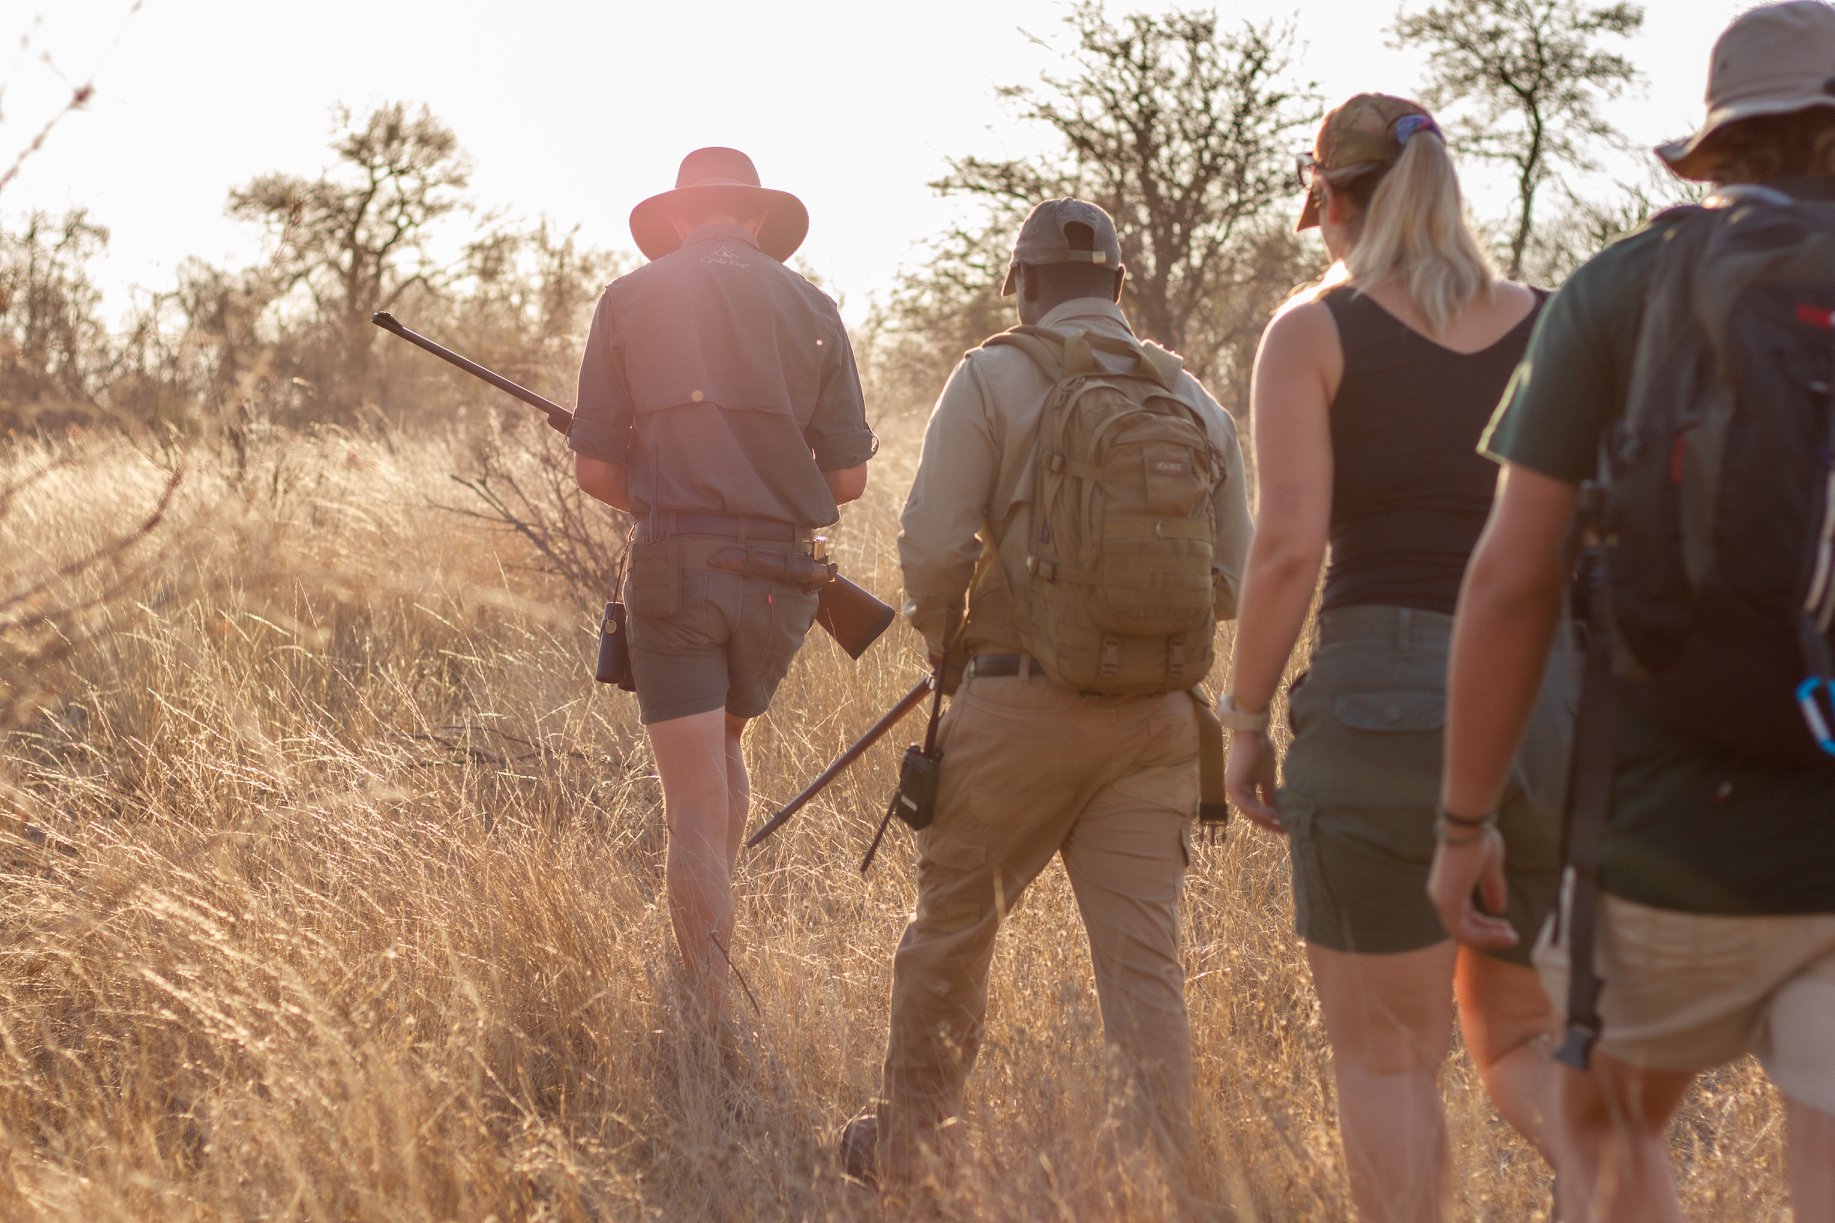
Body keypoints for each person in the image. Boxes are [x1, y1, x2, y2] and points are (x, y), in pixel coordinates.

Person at [1429, 5, 1835, 1219]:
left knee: (1604, 1123)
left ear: (1714, 150)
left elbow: (1509, 579)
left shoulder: (1621, 289)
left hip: (1667, 825)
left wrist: (1461, 826)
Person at [841, 199, 1252, 1185]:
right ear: (1117, 286)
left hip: (1014, 705)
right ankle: (1154, 1172)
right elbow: (1233, 578)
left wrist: (949, 646)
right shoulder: (1193, 400)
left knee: (950, 932)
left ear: (1019, 285)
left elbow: (931, 545)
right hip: (1156, 726)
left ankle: (909, 1147)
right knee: (1143, 967)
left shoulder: (989, 375)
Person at [1221, 95, 1578, 1220]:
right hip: (1550, 706)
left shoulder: (1313, 328)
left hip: (1387, 697)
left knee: (1385, 1057)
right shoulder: (1556, 324)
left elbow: (1285, 548)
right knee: (1521, 1034)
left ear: (1323, 196)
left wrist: (1242, 719)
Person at [569, 147, 877, 1021]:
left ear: (674, 219)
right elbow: (847, 483)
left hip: (676, 572)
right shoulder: (814, 305)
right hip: (783, 579)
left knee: (692, 804)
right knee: (729, 748)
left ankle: (703, 1007)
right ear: (754, 219)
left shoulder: (630, 299)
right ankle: (715, 949)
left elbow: (595, 470)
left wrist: (666, 493)